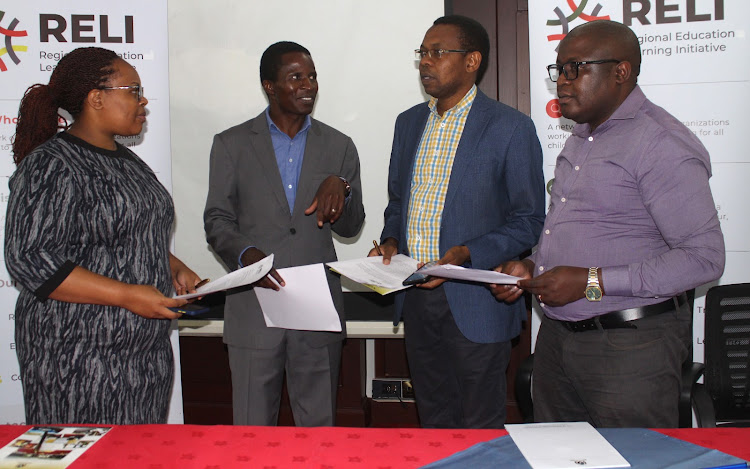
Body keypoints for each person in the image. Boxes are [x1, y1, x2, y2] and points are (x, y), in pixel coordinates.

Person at [491, 20, 725, 428]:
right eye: (559, 69)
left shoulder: (662, 144)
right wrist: (532, 266)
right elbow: (581, 229)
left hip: (631, 349)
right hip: (559, 341)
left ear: (621, 72)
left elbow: (704, 259)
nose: (562, 82)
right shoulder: (581, 137)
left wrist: (591, 281)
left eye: (575, 68)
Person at [5, 47, 202, 425]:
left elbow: (126, 231)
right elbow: (31, 259)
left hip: (142, 358)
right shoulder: (51, 165)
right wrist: (127, 294)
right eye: (133, 90)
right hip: (77, 357)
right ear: (96, 98)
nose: (143, 100)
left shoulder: (129, 162)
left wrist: (172, 266)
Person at [369, 15, 545, 428]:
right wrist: (391, 240)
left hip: (476, 300)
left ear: (471, 61)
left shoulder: (510, 128)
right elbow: (398, 202)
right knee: (433, 421)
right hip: (416, 298)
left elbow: (529, 219)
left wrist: (467, 254)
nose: (425, 63)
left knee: (477, 427)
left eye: (437, 52)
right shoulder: (408, 122)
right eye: (422, 53)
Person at [204, 41, 365, 427]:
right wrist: (246, 255)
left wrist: (342, 188)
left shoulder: (340, 146)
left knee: (319, 433)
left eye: (311, 76)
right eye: (296, 77)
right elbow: (217, 219)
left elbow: (351, 226)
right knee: (251, 436)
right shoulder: (231, 144)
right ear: (269, 86)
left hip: (316, 315)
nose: (308, 84)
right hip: (254, 309)